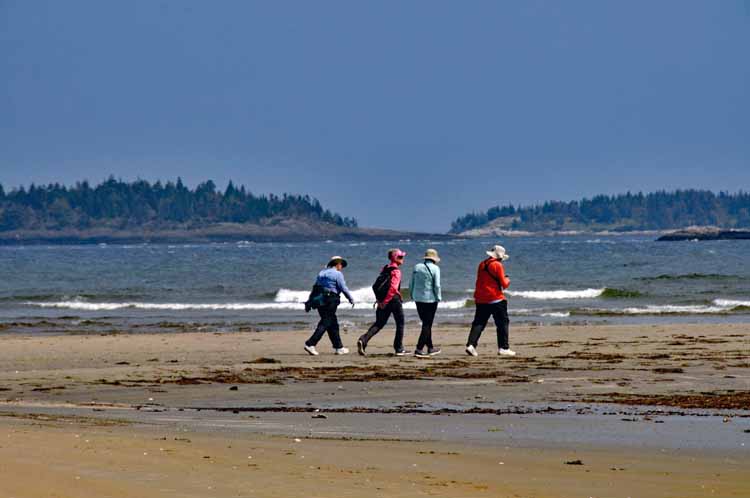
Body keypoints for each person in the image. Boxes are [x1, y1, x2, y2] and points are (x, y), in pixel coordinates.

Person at [465, 245, 516, 357]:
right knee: (502, 322)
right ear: (500, 256)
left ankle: (471, 345)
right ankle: (503, 348)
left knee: (479, 323)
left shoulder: (482, 264)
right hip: (495, 298)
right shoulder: (498, 265)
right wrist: (508, 279)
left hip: (481, 298)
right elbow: (504, 284)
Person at [357, 249, 408, 356]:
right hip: (393, 300)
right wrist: (385, 301)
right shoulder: (396, 271)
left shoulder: (385, 269)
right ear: (395, 258)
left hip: (382, 300)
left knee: (379, 323)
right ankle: (399, 348)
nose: (402, 259)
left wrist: (380, 300)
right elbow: (393, 288)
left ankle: (363, 339)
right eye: (400, 257)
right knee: (400, 323)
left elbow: (378, 286)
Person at [304, 256, 355, 356]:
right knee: (326, 322)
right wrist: (350, 298)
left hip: (320, 300)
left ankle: (339, 347)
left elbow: (315, 287)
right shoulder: (337, 274)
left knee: (333, 323)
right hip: (330, 299)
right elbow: (343, 288)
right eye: (341, 265)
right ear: (337, 264)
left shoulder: (321, 273)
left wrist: (309, 301)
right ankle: (310, 343)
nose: (342, 267)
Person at [410, 248, 442, 358]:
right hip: (430, 299)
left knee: (426, 323)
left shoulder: (417, 267)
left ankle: (430, 347)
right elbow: (437, 285)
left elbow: (411, 283)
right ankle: (419, 349)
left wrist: (412, 295)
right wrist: (438, 297)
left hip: (418, 299)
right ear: (434, 259)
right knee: (427, 324)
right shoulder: (435, 268)